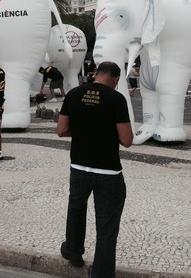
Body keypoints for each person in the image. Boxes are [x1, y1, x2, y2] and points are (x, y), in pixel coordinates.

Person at [56, 61, 133, 276]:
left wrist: (81, 130)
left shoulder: (73, 94)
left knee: (76, 208)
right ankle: (101, 273)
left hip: (79, 167)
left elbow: (61, 130)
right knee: (107, 225)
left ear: (96, 73)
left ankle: (73, 249)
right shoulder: (116, 99)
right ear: (116, 79)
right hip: (107, 172)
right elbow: (127, 140)